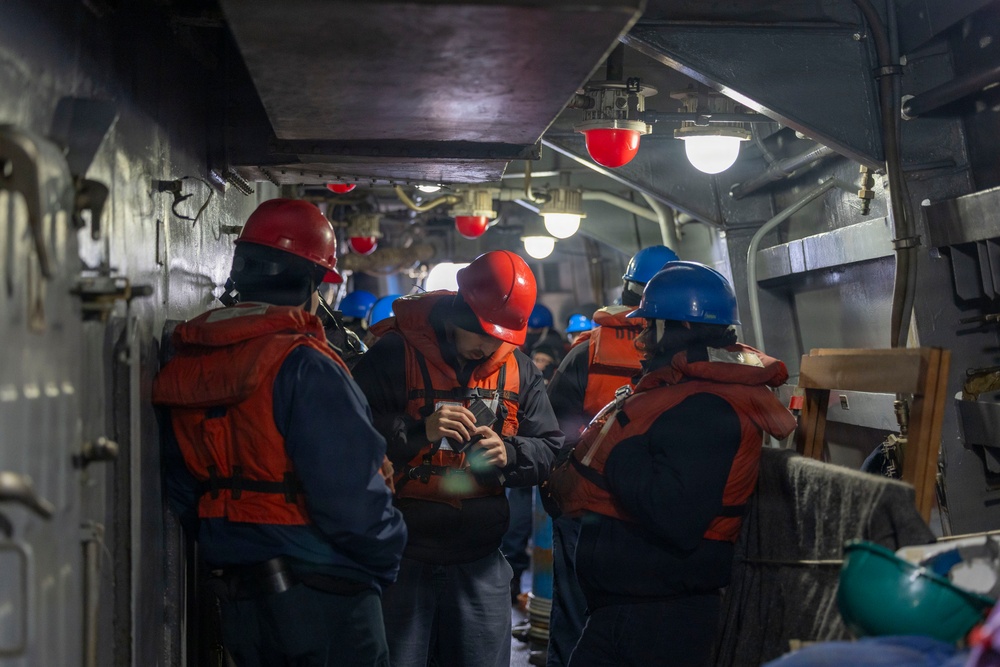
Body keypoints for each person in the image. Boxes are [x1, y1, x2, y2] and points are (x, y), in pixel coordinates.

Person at [152, 198, 407, 667]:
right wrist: (388, 555)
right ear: (312, 283)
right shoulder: (306, 364)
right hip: (329, 594)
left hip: (241, 594)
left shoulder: (190, 357)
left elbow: (183, 488)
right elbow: (351, 495)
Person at [548, 261, 797, 667]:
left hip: (664, 619)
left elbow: (676, 516)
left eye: (650, 327)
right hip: (624, 610)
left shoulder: (708, 406)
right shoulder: (683, 392)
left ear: (676, 329)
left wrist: (621, 455)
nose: (642, 339)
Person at [351, 250, 564, 667]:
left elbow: (552, 447)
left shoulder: (519, 368)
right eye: (483, 333)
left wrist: (512, 452)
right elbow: (347, 436)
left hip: (481, 563)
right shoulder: (395, 354)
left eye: (501, 336)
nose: (488, 347)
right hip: (401, 562)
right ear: (458, 314)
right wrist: (418, 432)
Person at [542, 244, 679, 667]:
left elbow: (550, 433)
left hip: (585, 511)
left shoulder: (587, 352)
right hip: (653, 513)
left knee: (572, 615)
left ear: (626, 292)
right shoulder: (693, 358)